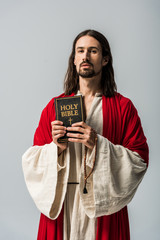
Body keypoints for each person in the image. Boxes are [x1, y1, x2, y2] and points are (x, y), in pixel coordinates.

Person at [22, 29, 149, 240]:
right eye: (80, 51)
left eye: (93, 51)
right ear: (74, 60)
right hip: (63, 203)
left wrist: (98, 144)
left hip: (102, 204)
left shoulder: (123, 107)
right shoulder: (53, 108)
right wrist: (56, 149)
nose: (85, 56)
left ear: (105, 59)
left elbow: (139, 160)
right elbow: (33, 160)